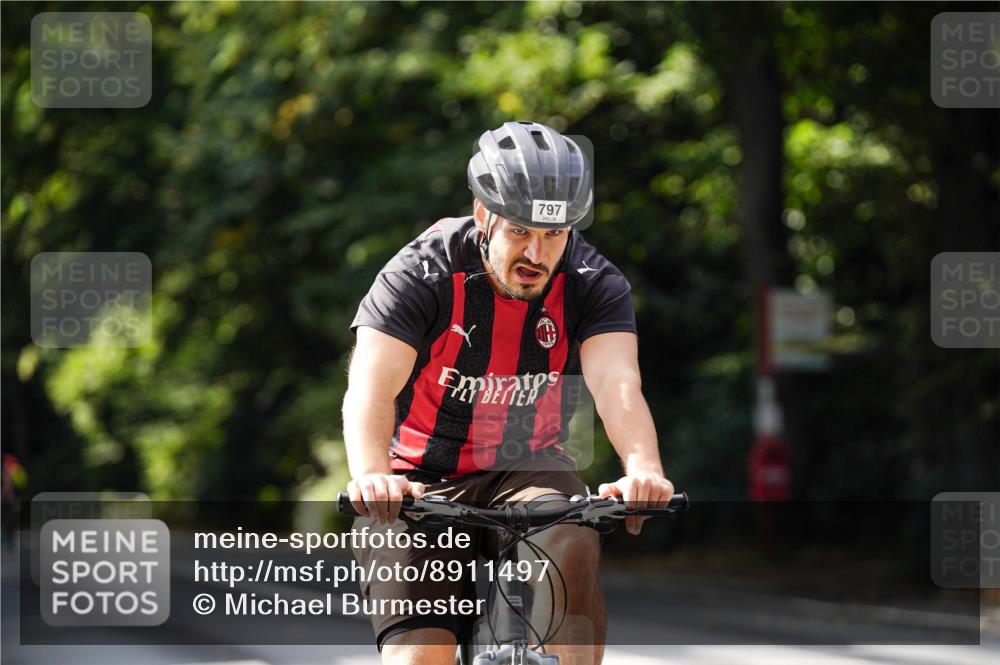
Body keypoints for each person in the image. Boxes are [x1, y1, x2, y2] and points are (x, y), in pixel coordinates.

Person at [343, 120, 674, 665]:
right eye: (520, 231)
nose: (537, 254)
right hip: (416, 481)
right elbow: (370, 386)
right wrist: (372, 474)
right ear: (484, 217)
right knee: (418, 658)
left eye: (554, 234)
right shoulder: (421, 272)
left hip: (529, 466)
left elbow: (617, 381)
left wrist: (643, 467)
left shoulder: (592, 281)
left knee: (571, 535)